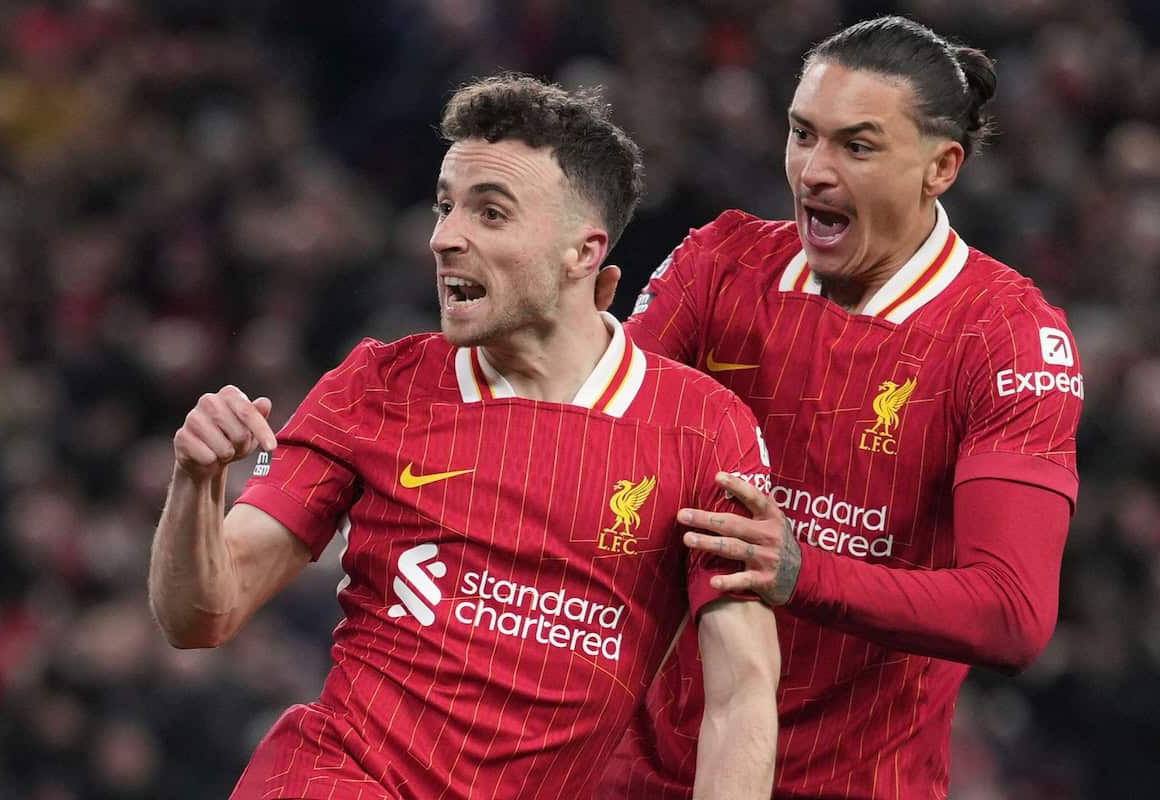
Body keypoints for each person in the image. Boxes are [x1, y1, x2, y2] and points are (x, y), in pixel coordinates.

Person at [147, 73, 780, 800]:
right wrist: (195, 482)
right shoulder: (375, 387)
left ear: (582, 252)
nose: (445, 238)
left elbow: (740, 694)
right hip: (335, 778)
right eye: (446, 206)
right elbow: (202, 614)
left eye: (491, 213)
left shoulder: (704, 429)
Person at [595, 15, 1083, 800]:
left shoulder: (1009, 339)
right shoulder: (722, 263)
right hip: (642, 769)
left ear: (941, 167)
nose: (812, 171)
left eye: (856, 146)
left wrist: (800, 571)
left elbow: (1012, 612)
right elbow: (596, 433)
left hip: (859, 782)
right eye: (801, 134)